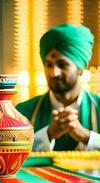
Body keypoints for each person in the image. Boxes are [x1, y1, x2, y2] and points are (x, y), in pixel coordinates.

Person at [16, 23, 100, 151]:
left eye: (62, 65)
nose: (53, 73)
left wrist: (86, 136)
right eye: (48, 65)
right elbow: (10, 155)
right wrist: (48, 134)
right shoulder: (22, 113)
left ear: (80, 69)